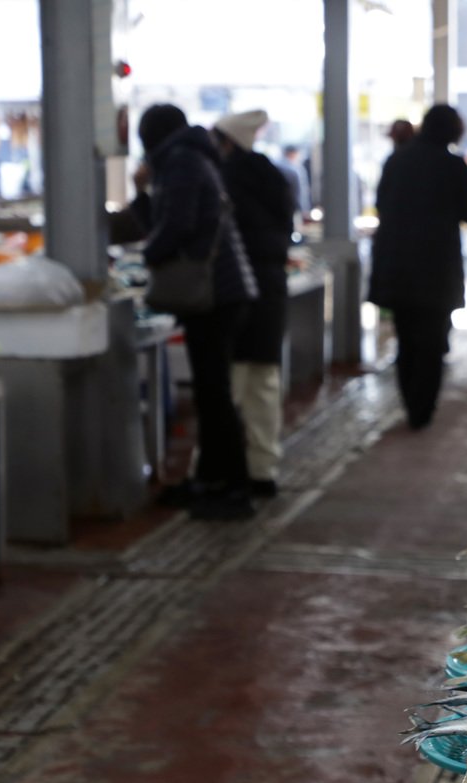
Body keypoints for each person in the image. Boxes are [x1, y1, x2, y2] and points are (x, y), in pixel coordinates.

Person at [135, 104, 259, 520]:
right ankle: (211, 480)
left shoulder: (181, 162)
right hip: (221, 291)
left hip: (215, 294)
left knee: (214, 392)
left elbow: (178, 224)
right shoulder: (193, 156)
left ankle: (234, 488)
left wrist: (147, 256)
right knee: (211, 392)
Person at [367, 104, 467, 429]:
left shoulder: (396, 159)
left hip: (397, 263)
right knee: (432, 341)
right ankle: (422, 410)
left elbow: (382, 204)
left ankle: (409, 405)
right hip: (436, 266)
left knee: (406, 339)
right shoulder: (452, 164)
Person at [212, 110, 293, 499]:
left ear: (227, 142)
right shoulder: (274, 177)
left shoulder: (223, 180)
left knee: (231, 384)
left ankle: (217, 467)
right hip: (272, 288)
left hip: (235, 291)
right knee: (264, 382)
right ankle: (264, 468)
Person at [279, 145, 310, 219]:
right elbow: (301, 192)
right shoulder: (295, 170)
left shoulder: (278, 166)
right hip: (293, 206)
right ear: (292, 153)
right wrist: (304, 209)